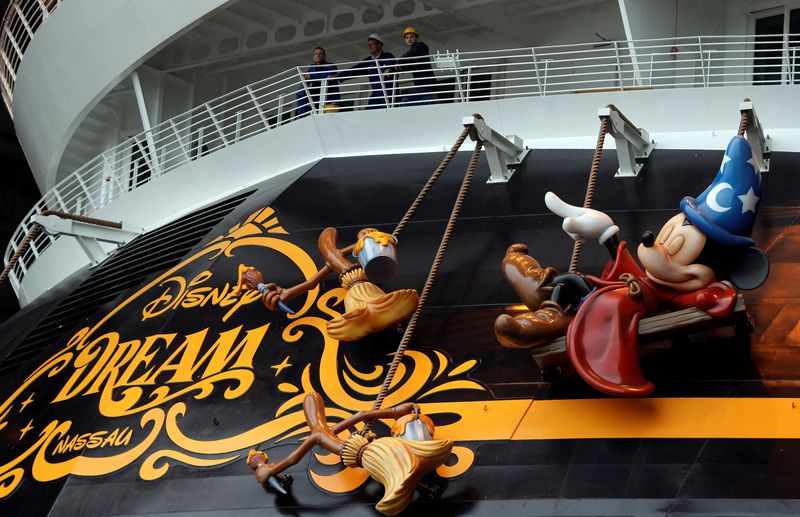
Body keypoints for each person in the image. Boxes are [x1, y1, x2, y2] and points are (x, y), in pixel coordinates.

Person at [336, 34, 396, 109]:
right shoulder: (369, 61)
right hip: (376, 97)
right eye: (368, 45)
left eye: (372, 44)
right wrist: (338, 76)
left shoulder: (388, 56)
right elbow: (355, 70)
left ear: (379, 45)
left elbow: (393, 68)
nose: (369, 47)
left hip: (390, 95)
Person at [394, 27, 436, 105]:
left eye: (412, 37)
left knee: (406, 99)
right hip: (422, 86)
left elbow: (411, 54)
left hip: (427, 85)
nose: (409, 39)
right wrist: (395, 69)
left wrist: (398, 63)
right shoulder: (413, 55)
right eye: (407, 38)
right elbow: (406, 67)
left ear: (416, 38)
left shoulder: (421, 46)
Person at [295, 47, 340, 117]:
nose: (318, 55)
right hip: (316, 95)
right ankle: (303, 115)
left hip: (328, 96)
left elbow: (326, 75)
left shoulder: (331, 66)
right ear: (313, 57)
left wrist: (311, 76)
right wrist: (306, 79)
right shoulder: (311, 67)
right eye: (316, 54)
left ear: (324, 56)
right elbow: (310, 77)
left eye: (320, 53)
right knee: (300, 91)